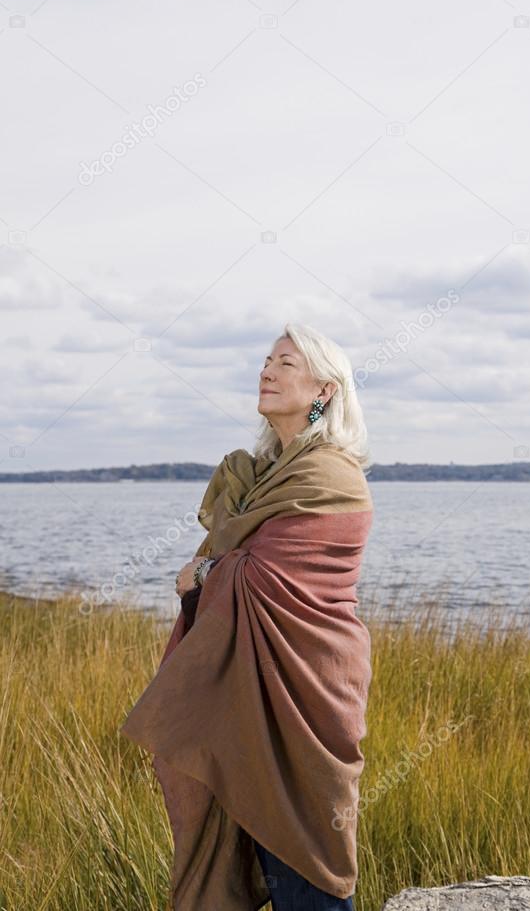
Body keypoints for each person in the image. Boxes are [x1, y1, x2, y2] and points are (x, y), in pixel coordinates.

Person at [120, 322, 374, 911]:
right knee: (249, 830)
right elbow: (244, 558)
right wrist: (217, 565)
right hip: (245, 690)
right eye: (266, 360)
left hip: (309, 682)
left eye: (287, 363)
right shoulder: (259, 477)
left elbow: (268, 577)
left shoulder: (330, 475)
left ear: (325, 391)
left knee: (307, 853)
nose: (267, 371)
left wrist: (205, 573)